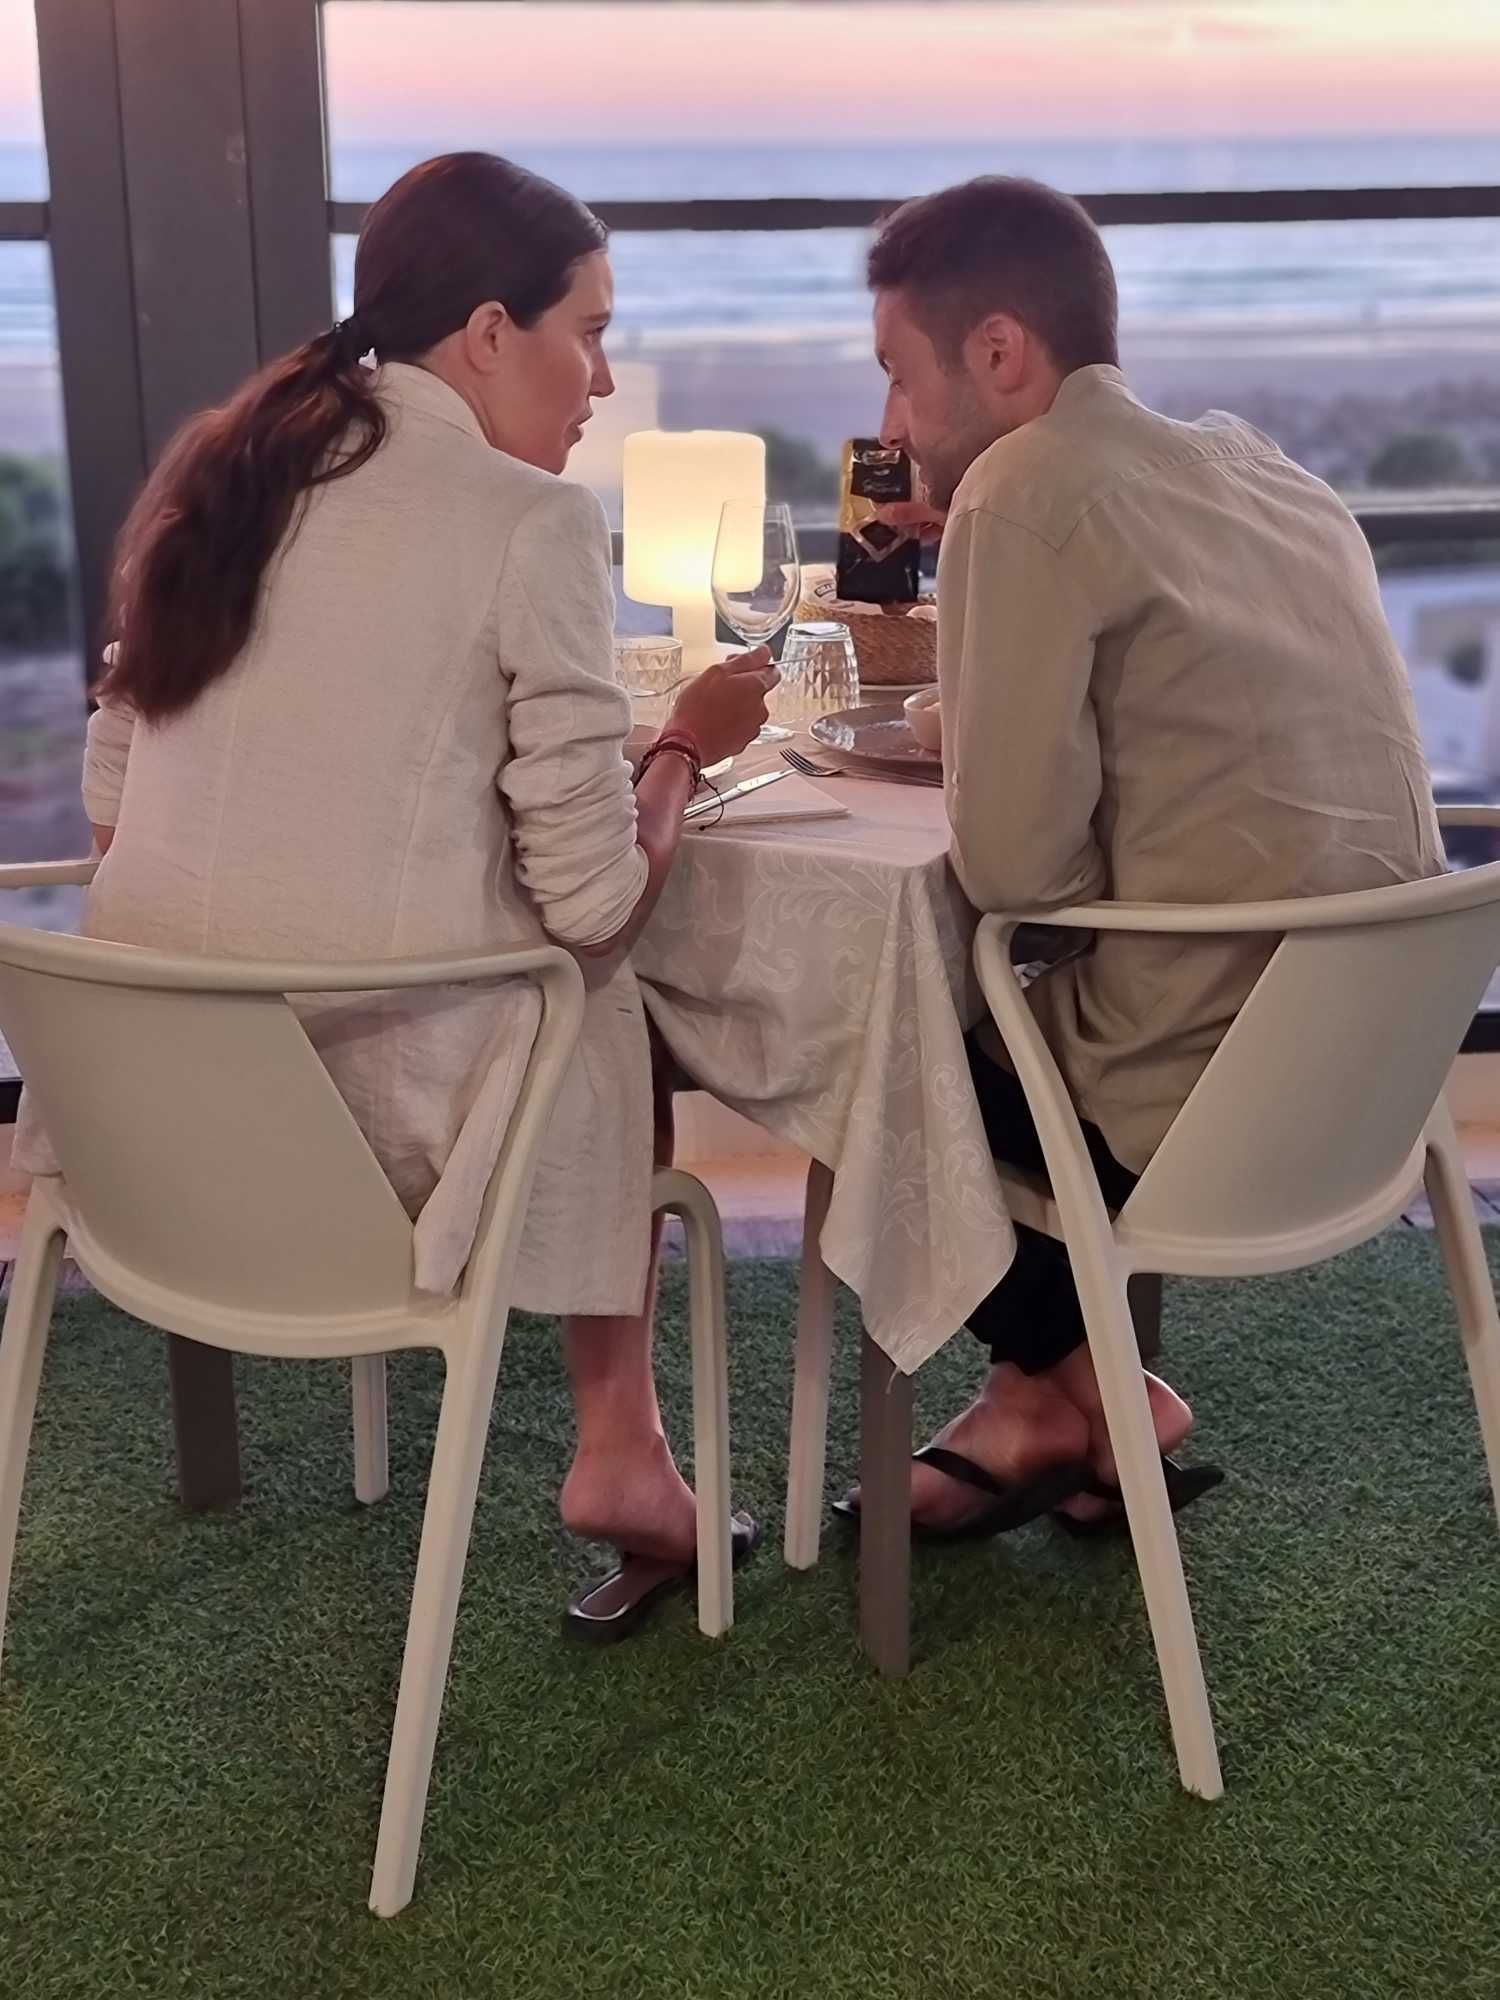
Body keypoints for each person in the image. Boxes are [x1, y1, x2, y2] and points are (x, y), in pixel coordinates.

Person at [17, 153, 777, 1628]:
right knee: (599, 1002)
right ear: (490, 332)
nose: (606, 379)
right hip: (365, 1169)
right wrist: (687, 741)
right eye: (590, 332)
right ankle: (622, 1449)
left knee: (512, 955)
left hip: (139, 1149)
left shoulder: (228, 475)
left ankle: (624, 1453)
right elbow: (597, 904)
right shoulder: (526, 524)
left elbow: (118, 813)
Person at [855, 175, 1441, 1534]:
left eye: (898, 376)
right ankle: (1043, 1400)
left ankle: (1091, 1392)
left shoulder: (1020, 485)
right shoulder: (1265, 472)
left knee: (867, 1026)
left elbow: (1014, 877)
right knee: (986, 1006)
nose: (893, 427)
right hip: (1366, 1085)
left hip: (1186, 1112)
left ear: (998, 352)